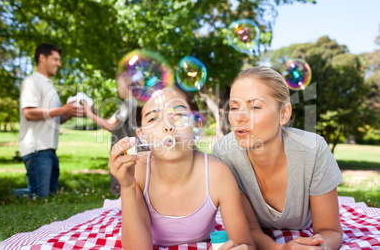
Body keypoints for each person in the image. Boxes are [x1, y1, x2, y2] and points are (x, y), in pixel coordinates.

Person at [109, 85, 255, 250]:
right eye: (153, 118)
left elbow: (246, 245)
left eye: (178, 114)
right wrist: (127, 186)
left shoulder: (218, 174)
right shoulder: (137, 171)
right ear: (142, 137)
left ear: (197, 126)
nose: (168, 126)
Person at [212, 66, 343, 250]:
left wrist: (319, 247)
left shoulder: (313, 150)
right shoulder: (224, 154)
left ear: (283, 114)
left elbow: (330, 230)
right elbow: (249, 230)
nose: (239, 117)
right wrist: (281, 248)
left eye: (255, 106)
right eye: (234, 107)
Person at [18, 43, 85, 198]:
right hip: (37, 148)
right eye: (55, 59)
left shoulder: (50, 87)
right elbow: (29, 112)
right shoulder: (31, 82)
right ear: (42, 58)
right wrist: (62, 109)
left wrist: (71, 113)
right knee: (39, 194)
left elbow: (54, 119)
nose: (59, 64)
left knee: (49, 195)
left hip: (49, 148)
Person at [82, 75, 139, 196]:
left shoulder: (129, 103)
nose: (117, 89)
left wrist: (89, 113)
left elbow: (111, 125)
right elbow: (114, 129)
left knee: (122, 187)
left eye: (119, 86)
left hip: (124, 151)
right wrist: (96, 116)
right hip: (130, 151)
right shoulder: (135, 102)